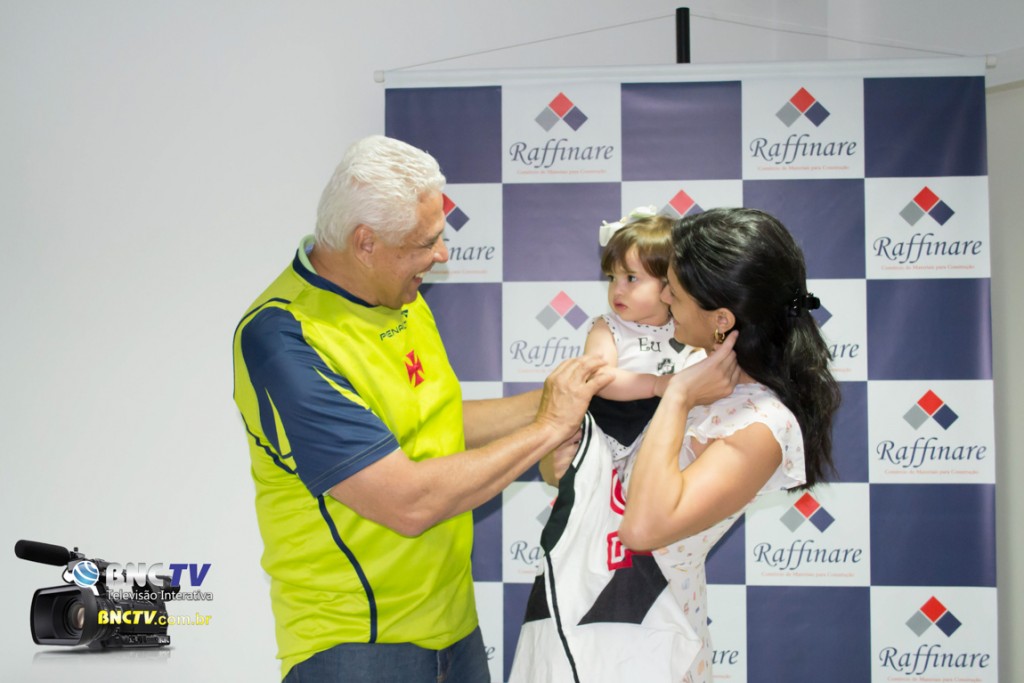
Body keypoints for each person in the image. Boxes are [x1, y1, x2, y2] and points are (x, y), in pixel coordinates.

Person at [232, 135, 610, 682]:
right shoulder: (284, 336)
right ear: (366, 243)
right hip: (357, 645)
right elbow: (406, 501)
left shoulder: (399, 295)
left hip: (455, 628)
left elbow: (439, 425)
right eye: (425, 242)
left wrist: (568, 397)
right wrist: (550, 426)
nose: (442, 255)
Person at [511, 207, 841, 683]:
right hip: (580, 601)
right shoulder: (690, 365)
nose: (663, 297)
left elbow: (642, 528)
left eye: (676, 292)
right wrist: (561, 457)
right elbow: (572, 469)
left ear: (721, 319)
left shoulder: (762, 425)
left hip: (649, 634)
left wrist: (678, 395)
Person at [576, 207, 704, 465]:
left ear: (670, 282)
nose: (617, 290)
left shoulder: (688, 328)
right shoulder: (607, 328)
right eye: (612, 278)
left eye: (631, 278)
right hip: (616, 436)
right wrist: (655, 385)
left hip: (670, 439)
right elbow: (597, 379)